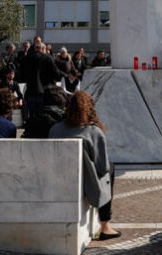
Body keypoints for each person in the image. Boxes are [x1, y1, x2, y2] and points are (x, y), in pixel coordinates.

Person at [49, 91, 121, 241]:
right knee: (110, 170)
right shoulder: (94, 132)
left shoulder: (55, 129)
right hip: (86, 184)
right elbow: (102, 168)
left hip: (57, 180)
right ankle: (105, 226)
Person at [20, 43, 61, 119]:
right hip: (44, 92)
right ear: (42, 49)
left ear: (35, 49)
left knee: (32, 116)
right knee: (43, 116)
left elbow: (21, 75)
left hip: (30, 91)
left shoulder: (27, 58)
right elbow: (56, 73)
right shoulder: (48, 58)